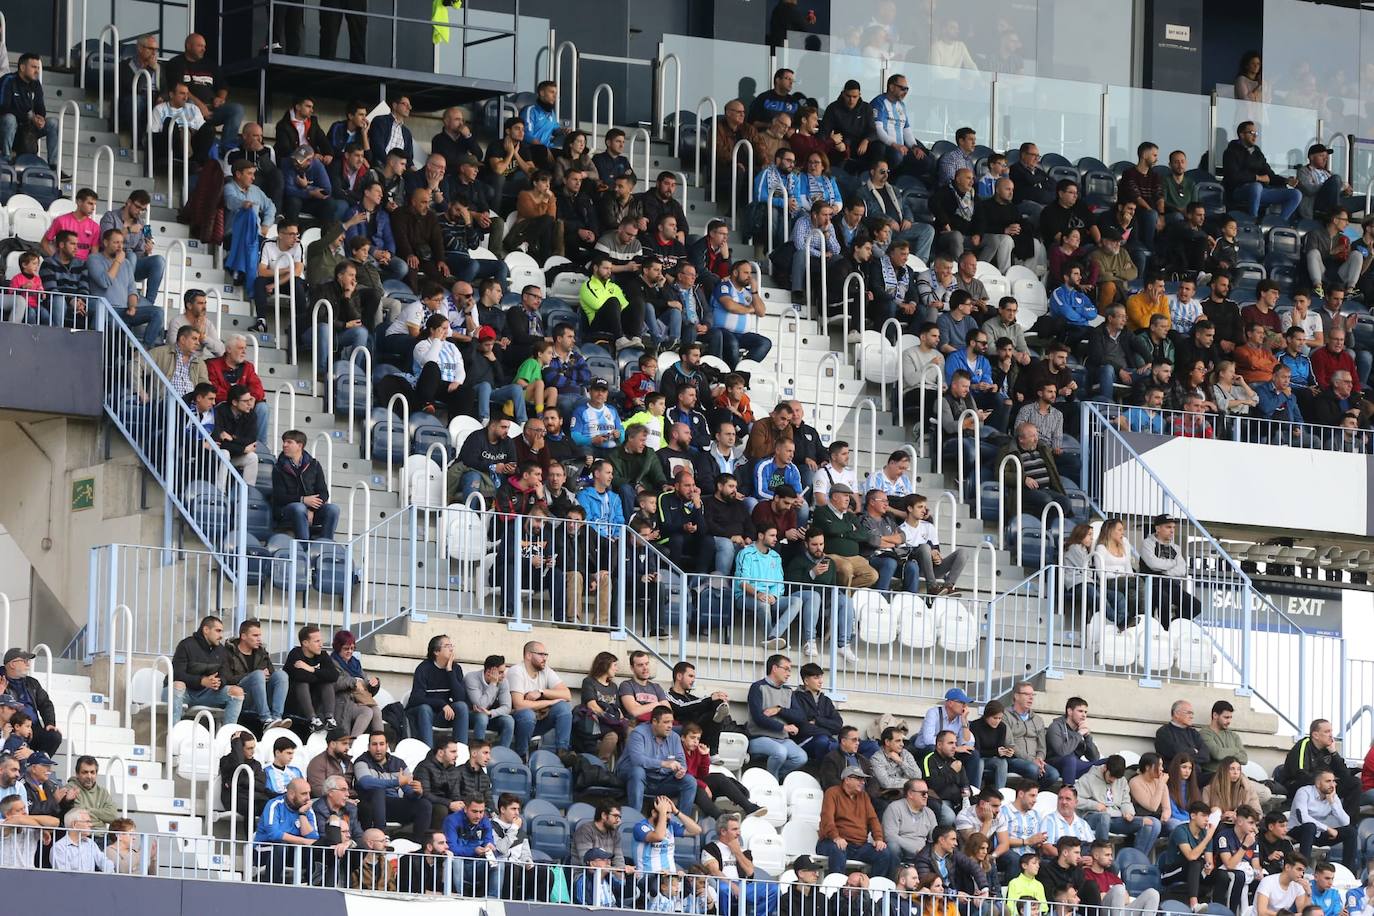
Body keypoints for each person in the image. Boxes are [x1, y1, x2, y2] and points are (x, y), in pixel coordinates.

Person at [819, 765, 896, 878]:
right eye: (859, 779)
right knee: (837, 850)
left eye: (863, 779)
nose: (863, 782)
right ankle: (836, 890)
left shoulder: (864, 796)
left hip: (859, 846)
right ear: (847, 780)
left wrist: (878, 839)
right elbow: (827, 819)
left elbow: (873, 819)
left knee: (884, 853)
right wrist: (836, 837)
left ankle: (873, 891)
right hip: (832, 842)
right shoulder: (832, 793)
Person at [620, 704, 697, 813]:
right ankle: (634, 817)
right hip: (635, 778)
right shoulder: (638, 733)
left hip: (660, 780)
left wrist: (680, 771)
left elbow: (681, 761)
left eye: (671, 722)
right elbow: (637, 760)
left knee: (689, 781)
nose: (670, 726)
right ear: (654, 722)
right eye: (666, 722)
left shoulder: (674, 737)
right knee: (638, 771)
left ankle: (682, 823)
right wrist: (664, 764)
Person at [168, 616, 244, 726]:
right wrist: (202, 681)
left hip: (206, 693)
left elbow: (225, 675)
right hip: (182, 692)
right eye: (218, 631)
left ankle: (228, 736)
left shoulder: (221, 650)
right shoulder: (186, 645)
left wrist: (218, 682)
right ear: (206, 630)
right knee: (178, 685)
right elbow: (177, 674)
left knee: (237, 692)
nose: (221, 636)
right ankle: (174, 733)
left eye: (221, 631)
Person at [1076, 754, 1159, 853]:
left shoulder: (1122, 781)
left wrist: (1128, 812)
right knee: (1104, 817)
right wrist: (1094, 805)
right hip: (1093, 817)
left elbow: (1125, 801)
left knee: (1152, 823)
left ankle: (1136, 860)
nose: (1113, 780)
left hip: (1116, 818)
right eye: (1111, 776)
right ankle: (1101, 854)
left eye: (1116, 778)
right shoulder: (1088, 778)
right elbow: (1074, 799)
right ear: (1105, 768)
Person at [745, 653, 808, 779]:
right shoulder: (757, 687)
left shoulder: (788, 691)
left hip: (782, 739)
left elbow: (800, 716)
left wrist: (779, 710)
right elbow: (758, 718)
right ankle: (773, 782)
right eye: (786, 669)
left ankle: (773, 777)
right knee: (780, 752)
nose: (789, 674)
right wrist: (783, 727)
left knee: (801, 757)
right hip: (759, 737)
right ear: (774, 668)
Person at [506, 640, 573, 758]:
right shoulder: (516, 671)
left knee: (563, 707)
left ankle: (563, 752)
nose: (545, 658)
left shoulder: (545, 670)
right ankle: (521, 755)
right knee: (527, 714)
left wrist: (541, 692)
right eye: (541, 654)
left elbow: (567, 694)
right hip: (517, 723)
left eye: (546, 655)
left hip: (538, 721)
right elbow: (519, 705)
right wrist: (550, 702)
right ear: (528, 655)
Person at [1223, 121, 1302, 220]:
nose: (1255, 136)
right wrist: (1257, 178)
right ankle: (1253, 219)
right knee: (1256, 186)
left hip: (1261, 191)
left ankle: (1279, 222)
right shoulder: (1231, 152)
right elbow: (1233, 176)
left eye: (1256, 133)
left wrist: (1286, 181)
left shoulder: (1257, 153)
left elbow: (1270, 175)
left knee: (1296, 194)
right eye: (1251, 133)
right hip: (1238, 191)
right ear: (1242, 135)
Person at [353, 732, 424, 837]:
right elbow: (365, 783)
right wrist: (396, 782)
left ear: (387, 746)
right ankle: (381, 837)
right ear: (368, 747)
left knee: (424, 804)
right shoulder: (362, 761)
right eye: (374, 744)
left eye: (381, 744)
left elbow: (409, 791)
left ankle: (420, 844)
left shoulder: (399, 763)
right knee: (378, 790)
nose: (378, 749)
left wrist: (417, 792)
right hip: (369, 805)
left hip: (392, 805)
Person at [405, 633, 470, 750]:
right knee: (425, 708)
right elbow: (415, 698)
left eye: (451, 645)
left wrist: (450, 671)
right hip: (423, 714)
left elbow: (460, 698)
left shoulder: (456, 669)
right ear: (436, 652)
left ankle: (461, 753)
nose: (451, 648)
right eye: (447, 645)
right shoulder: (424, 669)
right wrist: (441, 703)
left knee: (461, 706)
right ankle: (428, 753)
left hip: (443, 715)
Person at [253, 777, 322, 884]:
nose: (308, 798)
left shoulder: (307, 809)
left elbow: (312, 838)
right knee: (281, 846)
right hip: (265, 850)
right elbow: (274, 834)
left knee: (312, 849)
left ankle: (310, 885)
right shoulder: (274, 805)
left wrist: (302, 814)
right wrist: (303, 841)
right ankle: (271, 885)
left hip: (292, 851)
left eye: (309, 793)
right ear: (291, 794)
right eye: (304, 794)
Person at [1158, 800, 1221, 911]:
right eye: (1203, 816)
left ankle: (1217, 905)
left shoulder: (1205, 834)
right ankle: (1194, 904)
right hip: (1171, 872)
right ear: (1193, 816)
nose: (1207, 819)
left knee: (1221, 874)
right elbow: (1190, 856)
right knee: (1195, 862)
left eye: (1208, 816)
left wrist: (1209, 867)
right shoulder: (1181, 830)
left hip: (1191, 872)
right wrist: (1208, 837)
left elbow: (1209, 860)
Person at [0, 54, 60, 167]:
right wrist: (28, 117)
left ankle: (53, 166)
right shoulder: (8, 80)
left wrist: (40, 118)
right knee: (9, 119)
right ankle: (6, 159)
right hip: (8, 128)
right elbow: (2, 107)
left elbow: (40, 106)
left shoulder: (36, 84)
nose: (37, 71)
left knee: (53, 123)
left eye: (38, 67)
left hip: (28, 129)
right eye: (33, 67)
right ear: (22, 68)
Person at [1288, 769, 1356, 867]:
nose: (1332, 785)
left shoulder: (1332, 796)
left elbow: (1345, 822)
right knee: (1310, 827)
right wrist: (1327, 829)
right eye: (1328, 781)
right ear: (1318, 783)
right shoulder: (1304, 792)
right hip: (1297, 833)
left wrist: (1332, 803)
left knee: (1351, 831)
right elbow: (1303, 818)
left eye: (1333, 781)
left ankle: (1349, 871)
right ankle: (1303, 869)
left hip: (1316, 835)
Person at [634, 793, 702, 876]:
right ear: (654, 813)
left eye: (670, 813)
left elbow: (696, 830)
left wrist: (676, 812)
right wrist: (663, 812)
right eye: (667, 813)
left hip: (670, 880)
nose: (669, 817)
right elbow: (659, 837)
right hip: (648, 879)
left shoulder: (671, 826)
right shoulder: (640, 827)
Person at [414, 738, 466, 831]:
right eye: (453, 752)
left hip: (447, 803)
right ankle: (436, 841)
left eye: (456, 752)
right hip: (429, 804)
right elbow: (425, 794)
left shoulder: (454, 770)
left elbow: (456, 794)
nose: (456, 755)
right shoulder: (424, 767)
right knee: (441, 809)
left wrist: (460, 804)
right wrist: (449, 803)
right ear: (441, 753)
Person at [1046, 697, 1100, 786]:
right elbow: (1062, 752)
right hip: (1056, 764)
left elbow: (1094, 758)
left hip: (1076, 766)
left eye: (1085, 712)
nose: (1084, 715)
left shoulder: (1080, 729)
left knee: (1111, 761)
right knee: (1070, 759)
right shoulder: (1056, 727)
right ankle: (1068, 794)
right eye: (1080, 711)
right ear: (1070, 711)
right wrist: (1079, 734)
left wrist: (1087, 736)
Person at [463, 655, 514, 749]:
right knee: (482, 717)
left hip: (489, 715)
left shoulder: (503, 681)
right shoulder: (471, 678)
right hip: (470, 715)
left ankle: (502, 754)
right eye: (500, 672)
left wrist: (491, 713)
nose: (504, 676)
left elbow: (507, 707)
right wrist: (493, 684)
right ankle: (478, 751)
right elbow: (481, 705)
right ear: (489, 672)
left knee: (508, 720)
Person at [64, 757, 117, 829]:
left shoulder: (103, 792)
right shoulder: (71, 789)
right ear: (77, 774)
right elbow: (78, 818)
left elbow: (113, 816)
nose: (89, 776)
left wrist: (88, 810)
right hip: (82, 836)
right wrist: (101, 821)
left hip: (103, 836)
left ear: (96, 774)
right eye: (85, 772)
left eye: (92, 772)